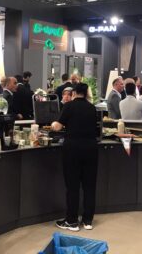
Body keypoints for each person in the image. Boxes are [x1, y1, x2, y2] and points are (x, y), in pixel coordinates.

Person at [51, 83, 99, 232]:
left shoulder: (69, 106)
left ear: (74, 93)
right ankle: (88, 220)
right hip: (91, 149)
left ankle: (72, 221)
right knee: (89, 186)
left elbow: (58, 127)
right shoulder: (92, 108)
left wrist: (53, 124)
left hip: (73, 149)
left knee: (73, 186)